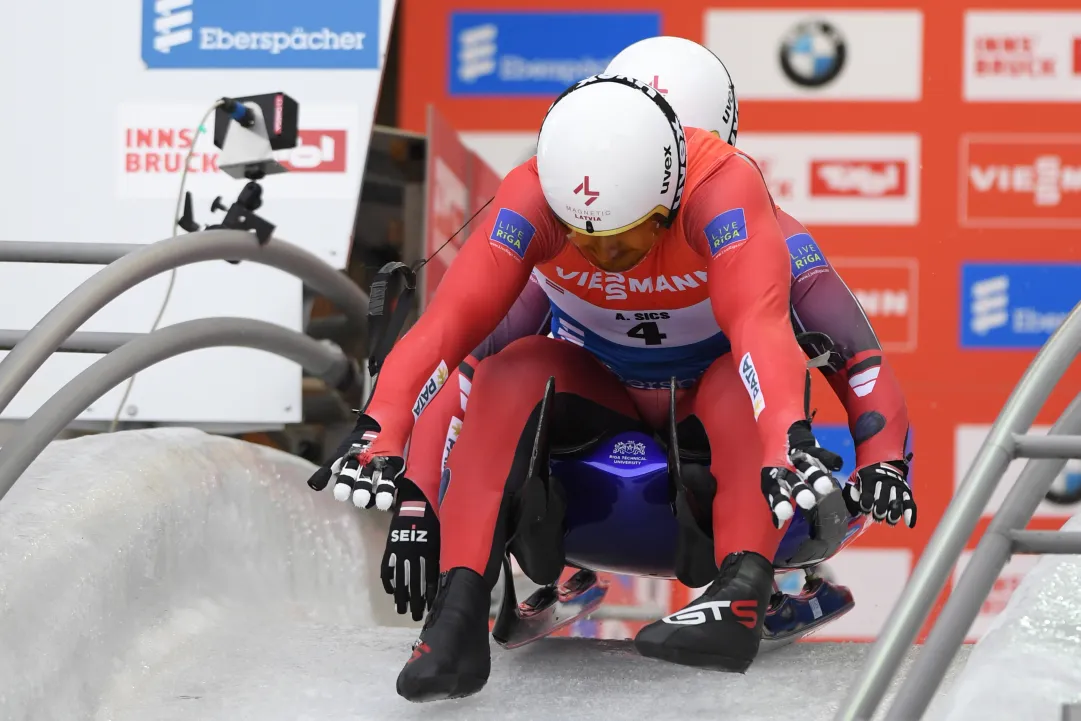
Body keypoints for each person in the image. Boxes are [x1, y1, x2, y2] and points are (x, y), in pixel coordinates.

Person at [308, 57, 911, 703]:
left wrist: (803, 444)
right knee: (515, 368)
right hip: (605, 413)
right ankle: (457, 610)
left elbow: (772, 336)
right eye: (584, 238)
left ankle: (740, 588)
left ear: (674, 177)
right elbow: (451, 338)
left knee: (739, 376)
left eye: (626, 238)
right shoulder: (534, 198)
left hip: (712, 430)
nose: (606, 256)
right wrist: (389, 450)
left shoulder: (730, 198)